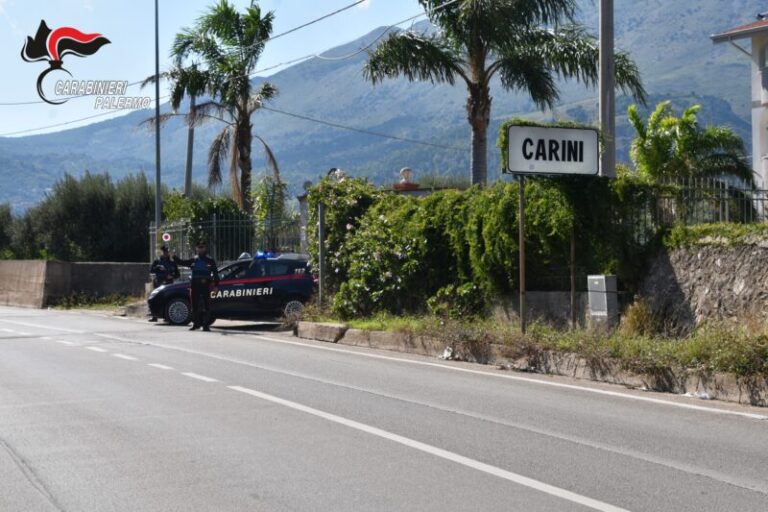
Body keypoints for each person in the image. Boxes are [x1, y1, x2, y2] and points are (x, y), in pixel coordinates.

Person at [173, 242, 219, 331]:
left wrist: (216, 285)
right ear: (196, 248)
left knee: (207, 305)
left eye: (202, 247)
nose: (200, 249)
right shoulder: (194, 259)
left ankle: (205, 325)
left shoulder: (210, 260)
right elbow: (182, 262)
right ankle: (196, 324)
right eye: (199, 247)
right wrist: (174, 256)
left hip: (205, 285)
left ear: (205, 248)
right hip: (195, 285)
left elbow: (215, 273)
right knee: (194, 305)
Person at [149, 245, 179, 322]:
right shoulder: (157, 261)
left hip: (169, 283)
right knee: (156, 298)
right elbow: (151, 271)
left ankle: (166, 317)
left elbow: (177, 274)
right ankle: (154, 316)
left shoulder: (172, 263)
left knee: (168, 298)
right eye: (164, 252)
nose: (166, 253)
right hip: (158, 282)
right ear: (162, 252)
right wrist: (158, 268)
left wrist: (172, 276)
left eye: (167, 252)